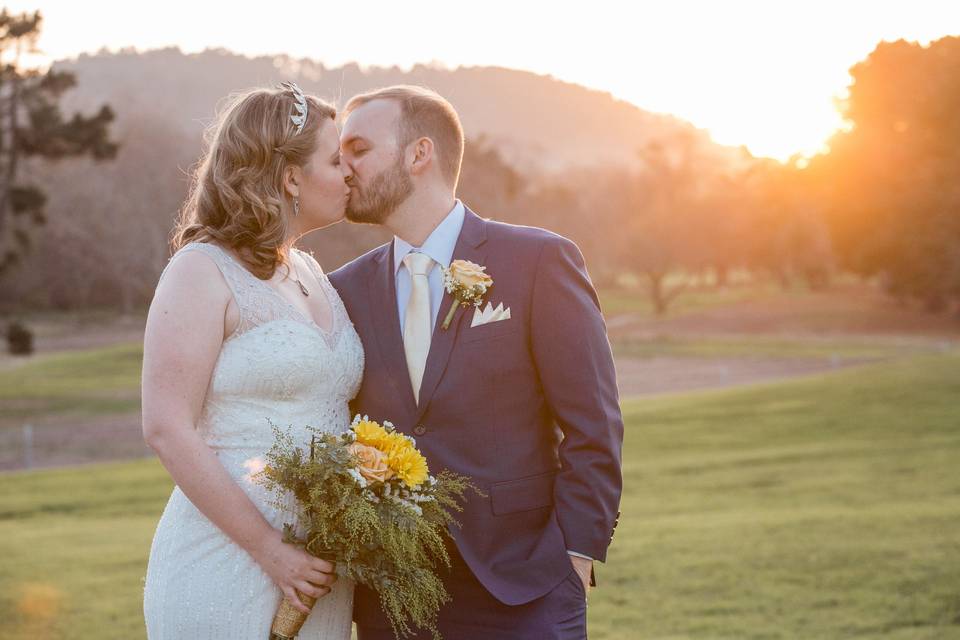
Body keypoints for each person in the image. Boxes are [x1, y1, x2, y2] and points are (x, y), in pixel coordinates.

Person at [330, 85, 624, 640]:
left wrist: (577, 554)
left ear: (420, 154)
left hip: (523, 584)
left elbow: (593, 422)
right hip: (393, 593)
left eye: (358, 149)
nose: (342, 167)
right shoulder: (342, 290)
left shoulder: (537, 260)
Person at [141, 83, 362, 639]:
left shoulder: (310, 272)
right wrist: (271, 552)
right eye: (335, 161)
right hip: (229, 560)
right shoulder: (201, 269)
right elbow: (167, 427)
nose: (350, 175)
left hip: (316, 573)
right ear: (291, 177)